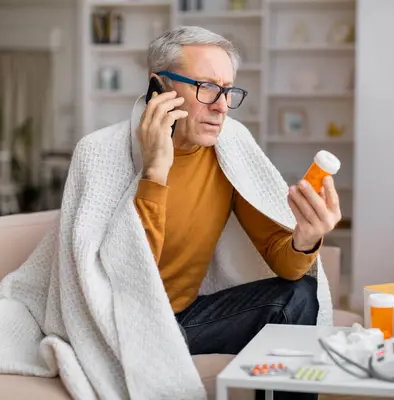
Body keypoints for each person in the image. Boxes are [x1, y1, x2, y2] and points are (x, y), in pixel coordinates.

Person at [134, 26, 342, 398]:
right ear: (159, 87)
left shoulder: (230, 148)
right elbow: (124, 277)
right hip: (127, 325)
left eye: (228, 91)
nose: (221, 106)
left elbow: (285, 265)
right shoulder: (104, 153)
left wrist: (306, 238)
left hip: (186, 320)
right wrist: (154, 173)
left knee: (298, 296)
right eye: (207, 87)